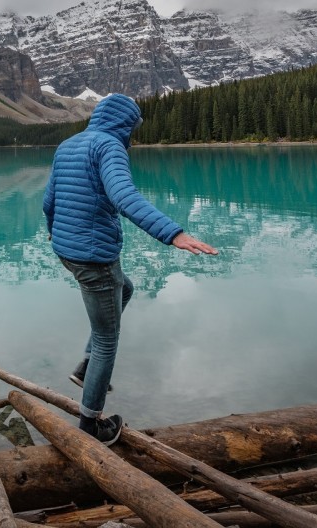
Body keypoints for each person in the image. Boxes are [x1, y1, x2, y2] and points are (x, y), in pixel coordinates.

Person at [42, 93, 217, 445]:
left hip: (68, 250)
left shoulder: (69, 144)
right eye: (134, 127)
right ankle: (92, 427)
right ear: (126, 124)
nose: (133, 135)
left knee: (126, 288)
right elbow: (125, 197)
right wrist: (174, 233)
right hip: (94, 257)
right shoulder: (109, 147)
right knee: (108, 339)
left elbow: (49, 200)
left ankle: (85, 368)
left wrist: (56, 235)